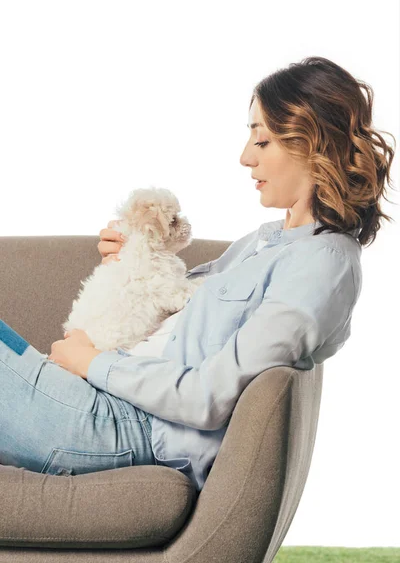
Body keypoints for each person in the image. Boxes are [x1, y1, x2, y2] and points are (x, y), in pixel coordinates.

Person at [0, 56, 395, 492]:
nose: (245, 157)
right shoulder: (266, 241)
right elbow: (184, 316)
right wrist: (134, 261)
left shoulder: (323, 266)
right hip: (102, 395)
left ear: (312, 144)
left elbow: (210, 396)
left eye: (262, 141)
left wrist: (94, 363)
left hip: (124, 425)